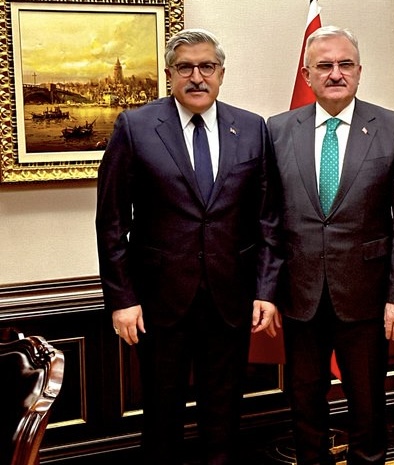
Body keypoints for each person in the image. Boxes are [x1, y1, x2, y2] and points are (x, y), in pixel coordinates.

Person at [95, 28, 281, 465]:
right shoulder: (135, 127)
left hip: (230, 299)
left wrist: (266, 291)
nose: (197, 77)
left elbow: (268, 219)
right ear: (169, 74)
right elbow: (112, 222)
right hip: (159, 303)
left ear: (221, 73)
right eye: (185, 68)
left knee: (225, 413)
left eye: (207, 67)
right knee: (162, 415)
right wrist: (122, 299)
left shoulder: (251, 128)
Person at [265, 26, 394, 465]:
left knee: (368, 405)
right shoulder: (278, 130)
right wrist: (267, 291)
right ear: (307, 75)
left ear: (359, 71)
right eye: (325, 66)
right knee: (304, 404)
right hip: (300, 296)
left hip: (367, 297)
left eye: (345, 64)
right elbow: (268, 219)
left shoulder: (391, 128)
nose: (336, 73)